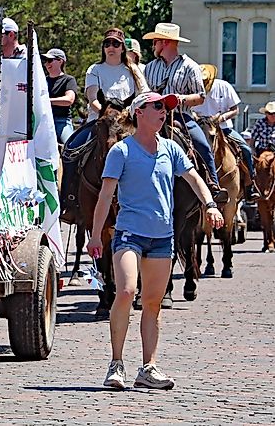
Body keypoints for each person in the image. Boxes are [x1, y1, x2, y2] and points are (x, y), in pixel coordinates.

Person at [89, 92, 224, 391]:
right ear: (139, 112)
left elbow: (193, 178)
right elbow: (105, 196)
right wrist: (96, 235)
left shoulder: (171, 149)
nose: (164, 113)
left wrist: (210, 204)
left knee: (152, 304)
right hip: (129, 233)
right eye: (158, 107)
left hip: (162, 237)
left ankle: (147, 368)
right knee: (125, 291)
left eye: (166, 109)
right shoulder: (121, 152)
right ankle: (116, 364)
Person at [60, 28, 147, 211]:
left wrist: (126, 117)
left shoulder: (135, 71)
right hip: (100, 122)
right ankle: (69, 201)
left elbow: (143, 97)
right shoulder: (95, 69)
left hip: (129, 124)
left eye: (116, 43)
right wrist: (108, 116)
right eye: (107, 43)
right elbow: (93, 99)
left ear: (122, 47)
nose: (111, 47)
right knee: (70, 148)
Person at [143, 22, 227, 202]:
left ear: (164, 42)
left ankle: (213, 185)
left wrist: (180, 99)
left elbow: (201, 96)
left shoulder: (190, 66)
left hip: (181, 115)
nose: (153, 46)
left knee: (202, 145)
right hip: (151, 118)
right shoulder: (149, 67)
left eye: (155, 41)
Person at [193, 64, 260, 201]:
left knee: (245, 149)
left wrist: (222, 117)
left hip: (223, 128)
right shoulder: (193, 89)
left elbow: (235, 109)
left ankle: (250, 185)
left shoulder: (223, 86)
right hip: (200, 128)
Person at [43, 48, 78, 144]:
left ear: (60, 61)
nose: (46, 64)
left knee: (70, 146)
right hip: (43, 122)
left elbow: (69, 100)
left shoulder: (68, 80)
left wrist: (47, 101)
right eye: (45, 61)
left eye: (50, 60)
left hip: (61, 121)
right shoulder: (42, 81)